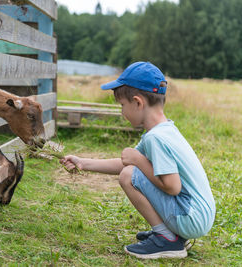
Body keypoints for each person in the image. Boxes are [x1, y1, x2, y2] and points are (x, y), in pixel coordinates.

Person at [60, 62, 215, 259]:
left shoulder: (156, 138)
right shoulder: (164, 130)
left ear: (138, 102)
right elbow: (126, 162)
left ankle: (166, 239)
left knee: (128, 176)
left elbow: (172, 186)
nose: (122, 112)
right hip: (197, 215)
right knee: (130, 171)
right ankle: (171, 234)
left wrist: (139, 161)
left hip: (191, 218)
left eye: (122, 105)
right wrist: (83, 162)